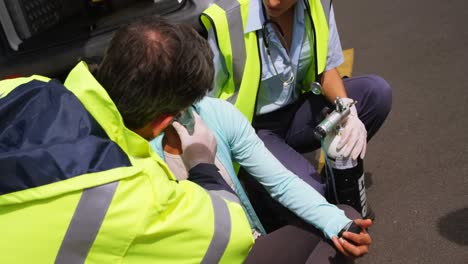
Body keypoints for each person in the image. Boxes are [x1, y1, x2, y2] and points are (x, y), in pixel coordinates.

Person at [0, 17, 254, 263]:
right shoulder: (135, 192)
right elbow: (234, 236)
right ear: (163, 122)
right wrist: (203, 165)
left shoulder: (23, 88)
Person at [200, 0, 392, 218]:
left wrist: (347, 109)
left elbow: (326, 67)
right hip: (253, 131)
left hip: (297, 111)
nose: (274, 2)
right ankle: (257, 187)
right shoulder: (228, 19)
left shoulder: (319, 5)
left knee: (376, 93)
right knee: (311, 195)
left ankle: (333, 182)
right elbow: (205, 103)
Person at [151, 96, 373, 262]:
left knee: (345, 224)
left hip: (248, 242)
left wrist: (336, 223)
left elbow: (281, 182)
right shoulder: (142, 158)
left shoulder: (213, 113)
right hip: (212, 256)